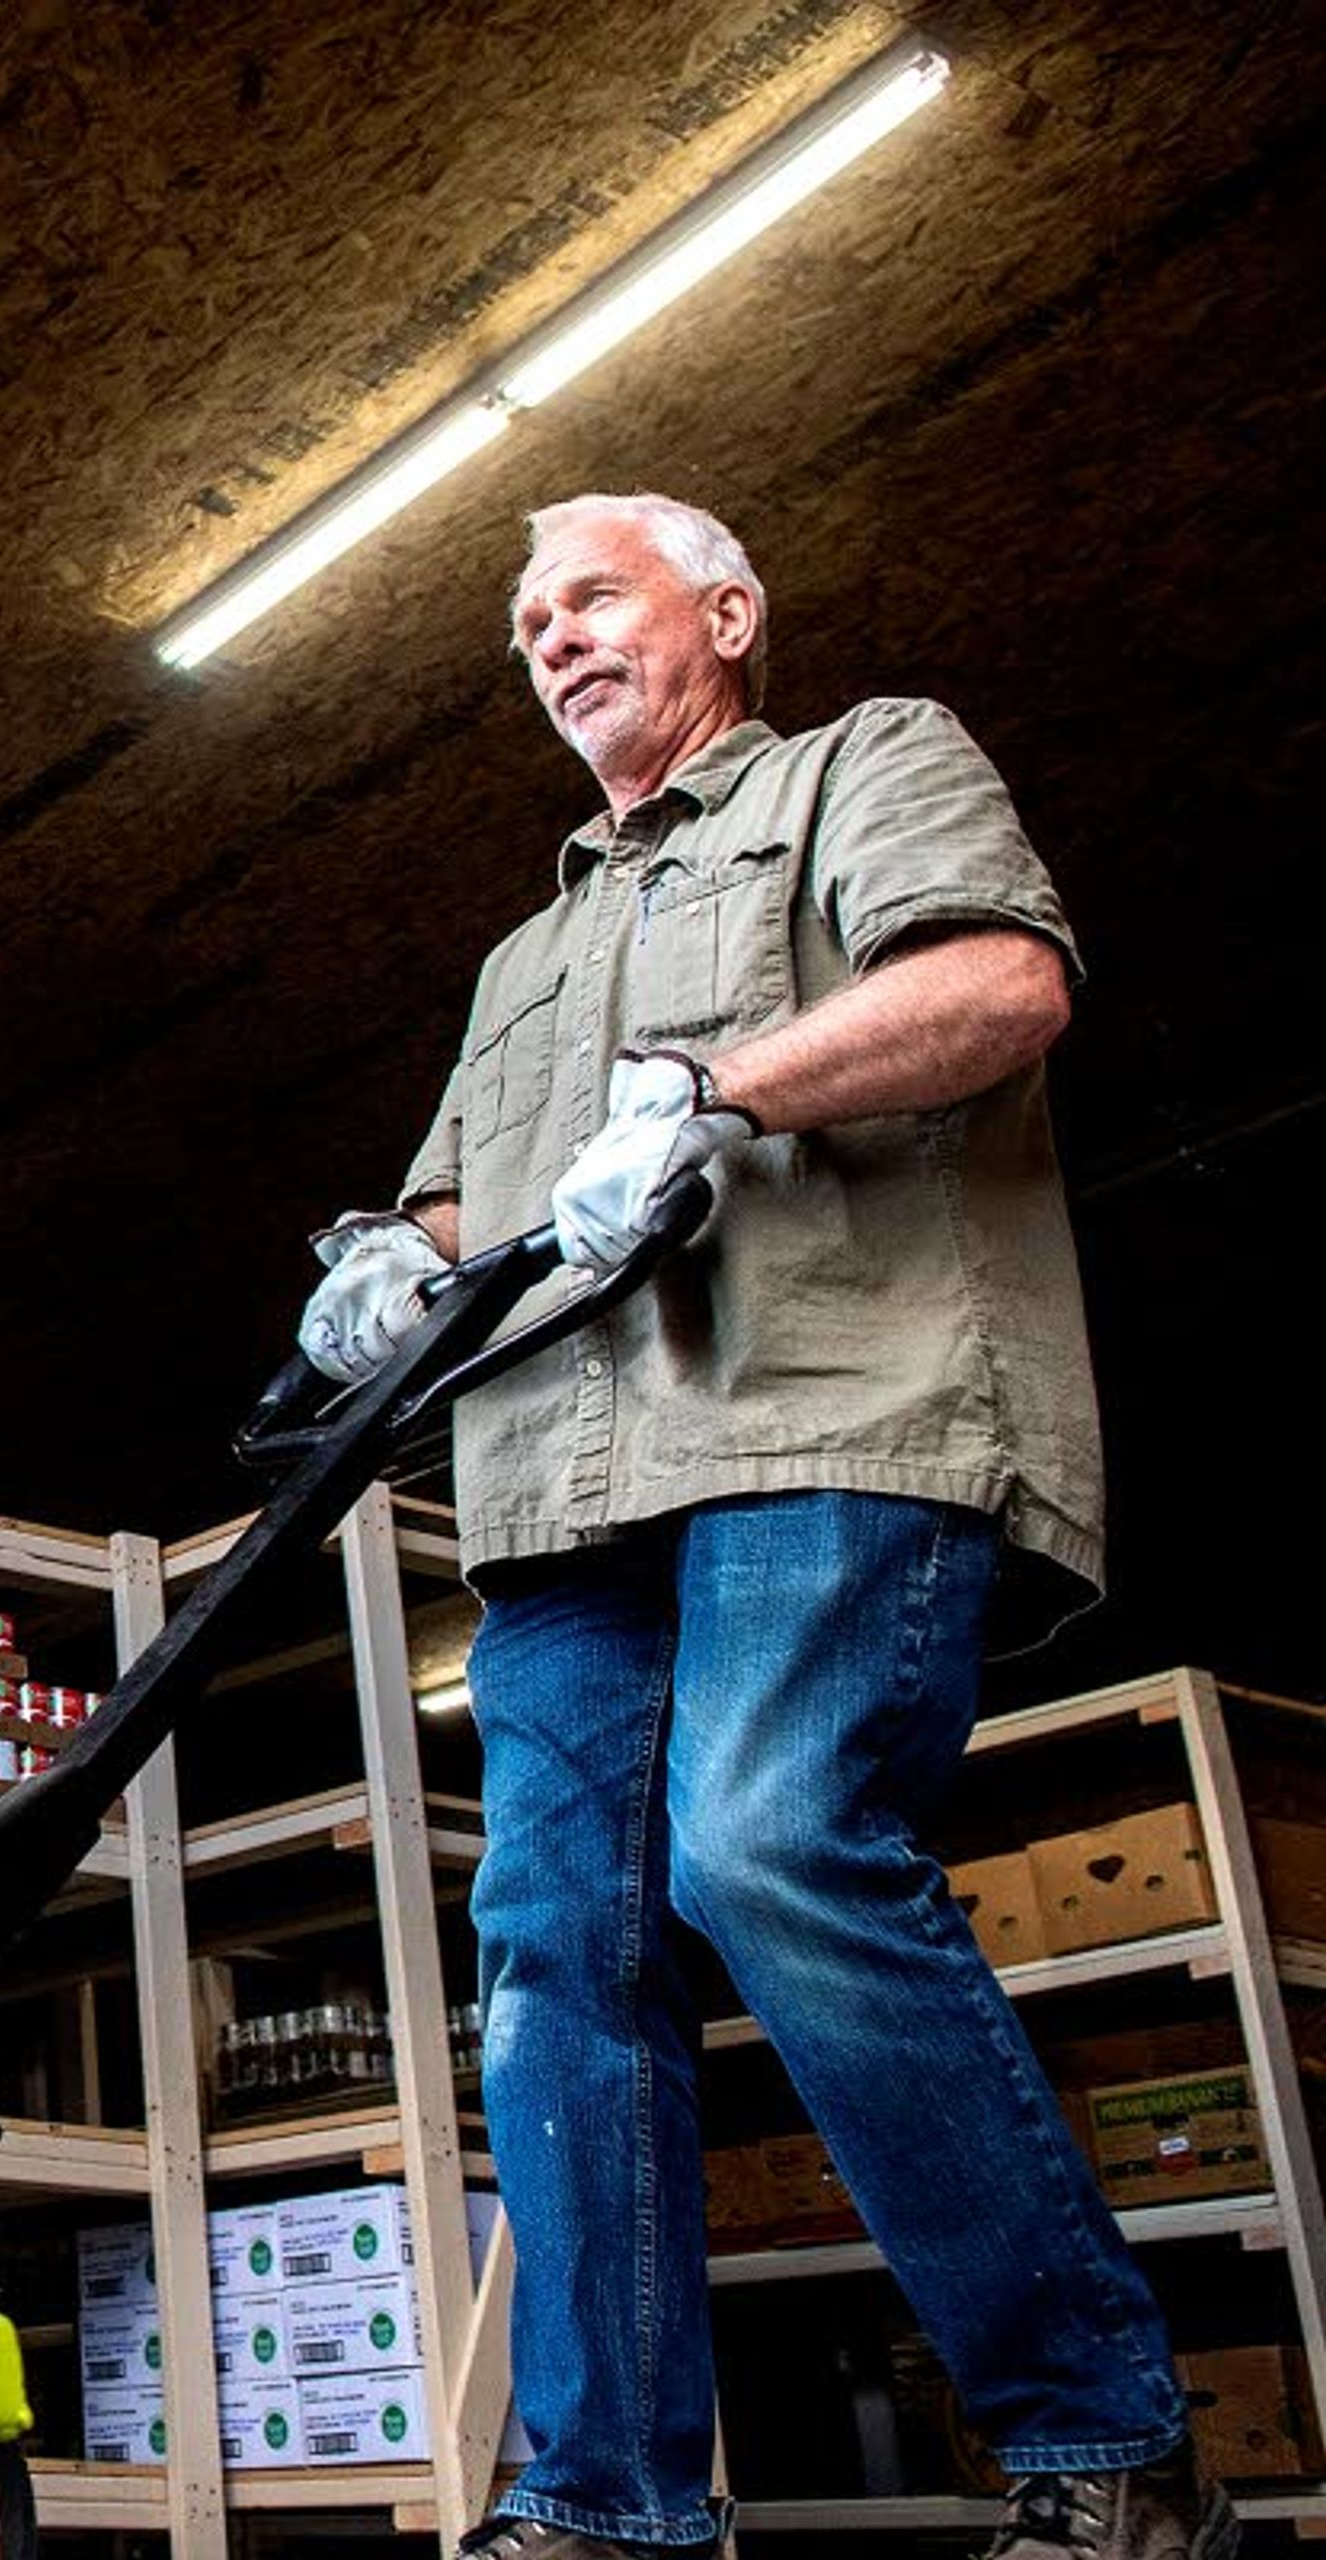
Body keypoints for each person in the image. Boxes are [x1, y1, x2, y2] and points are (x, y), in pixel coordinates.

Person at [295, 494, 1228, 2560]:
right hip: (563, 1483)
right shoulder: (523, 953)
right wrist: (380, 1258)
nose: (552, 639)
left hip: (827, 1412)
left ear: (723, 609)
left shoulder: (861, 766)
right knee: (556, 1954)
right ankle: (609, 2500)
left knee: (772, 1839)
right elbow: (474, 1209)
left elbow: (995, 985)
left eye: (591, 596)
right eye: (528, 622)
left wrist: (719, 1090)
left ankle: (1105, 2445)